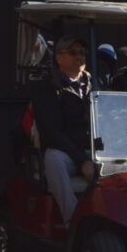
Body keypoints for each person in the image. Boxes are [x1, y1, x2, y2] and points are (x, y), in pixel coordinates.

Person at [32, 35, 96, 223]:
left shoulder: (95, 84)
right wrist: (82, 160)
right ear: (59, 58)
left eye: (82, 53)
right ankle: (74, 221)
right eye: (73, 53)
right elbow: (51, 132)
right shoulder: (48, 88)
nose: (79, 57)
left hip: (94, 150)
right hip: (67, 153)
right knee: (53, 160)